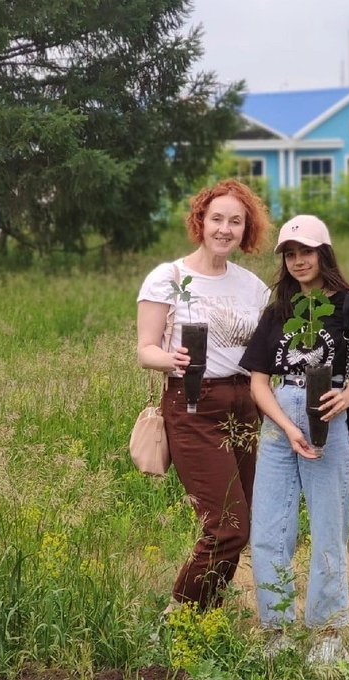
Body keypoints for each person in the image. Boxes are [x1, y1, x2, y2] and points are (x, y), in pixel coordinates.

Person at [240, 214, 349, 664]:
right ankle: (276, 629)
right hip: (281, 420)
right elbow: (259, 380)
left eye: (307, 252)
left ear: (324, 253)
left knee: (327, 526)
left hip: (329, 418)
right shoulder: (277, 310)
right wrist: (286, 425)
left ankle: (327, 632)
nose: (299, 261)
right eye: (291, 255)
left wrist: (342, 399)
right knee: (269, 529)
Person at [136, 179, 272, 610]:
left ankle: (205, 617)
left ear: (246, 228)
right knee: (226, 525)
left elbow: (268, 353)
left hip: (245, 406)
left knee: (241, 524)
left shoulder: (252, 287)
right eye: (217, 218)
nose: (225, 229)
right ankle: (178, 620)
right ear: (200, 220)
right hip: (192, 404)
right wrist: (170, 359)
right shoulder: (169, 278)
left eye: (236, 221)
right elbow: (145, 350)